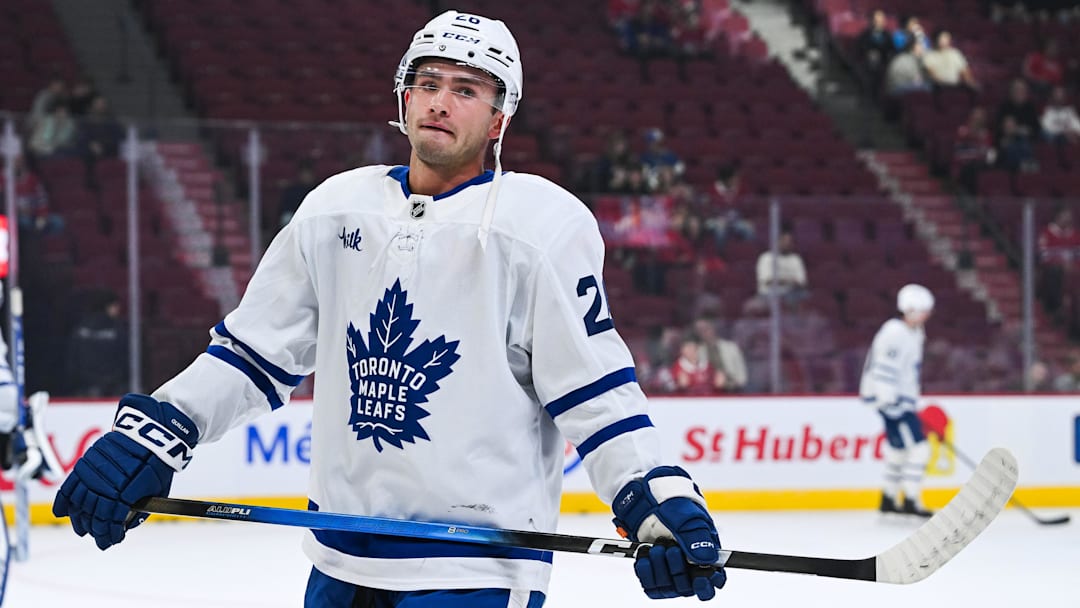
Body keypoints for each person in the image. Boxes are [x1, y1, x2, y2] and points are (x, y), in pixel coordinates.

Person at [52, 10, 727, 607]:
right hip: (338, 561)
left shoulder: (540, 227)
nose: (440, 102)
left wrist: (653, 496)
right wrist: (158, 430)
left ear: (500, 118)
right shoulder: (335, 207)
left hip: (473, 572)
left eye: (466, 90)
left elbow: (594, 389)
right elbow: (253, 354)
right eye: (428, 83)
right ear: (404, 96)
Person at [859, 284, 935, 517]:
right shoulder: (895, 332)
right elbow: (885, 369)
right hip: (892, 403)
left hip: (899, 401)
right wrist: (889, 399)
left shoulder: (914, 332)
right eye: (923, 310)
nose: (927, 315)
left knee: (899, 448)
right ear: (910, 309)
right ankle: (911, 500)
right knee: (920, 449)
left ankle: (888, 498)